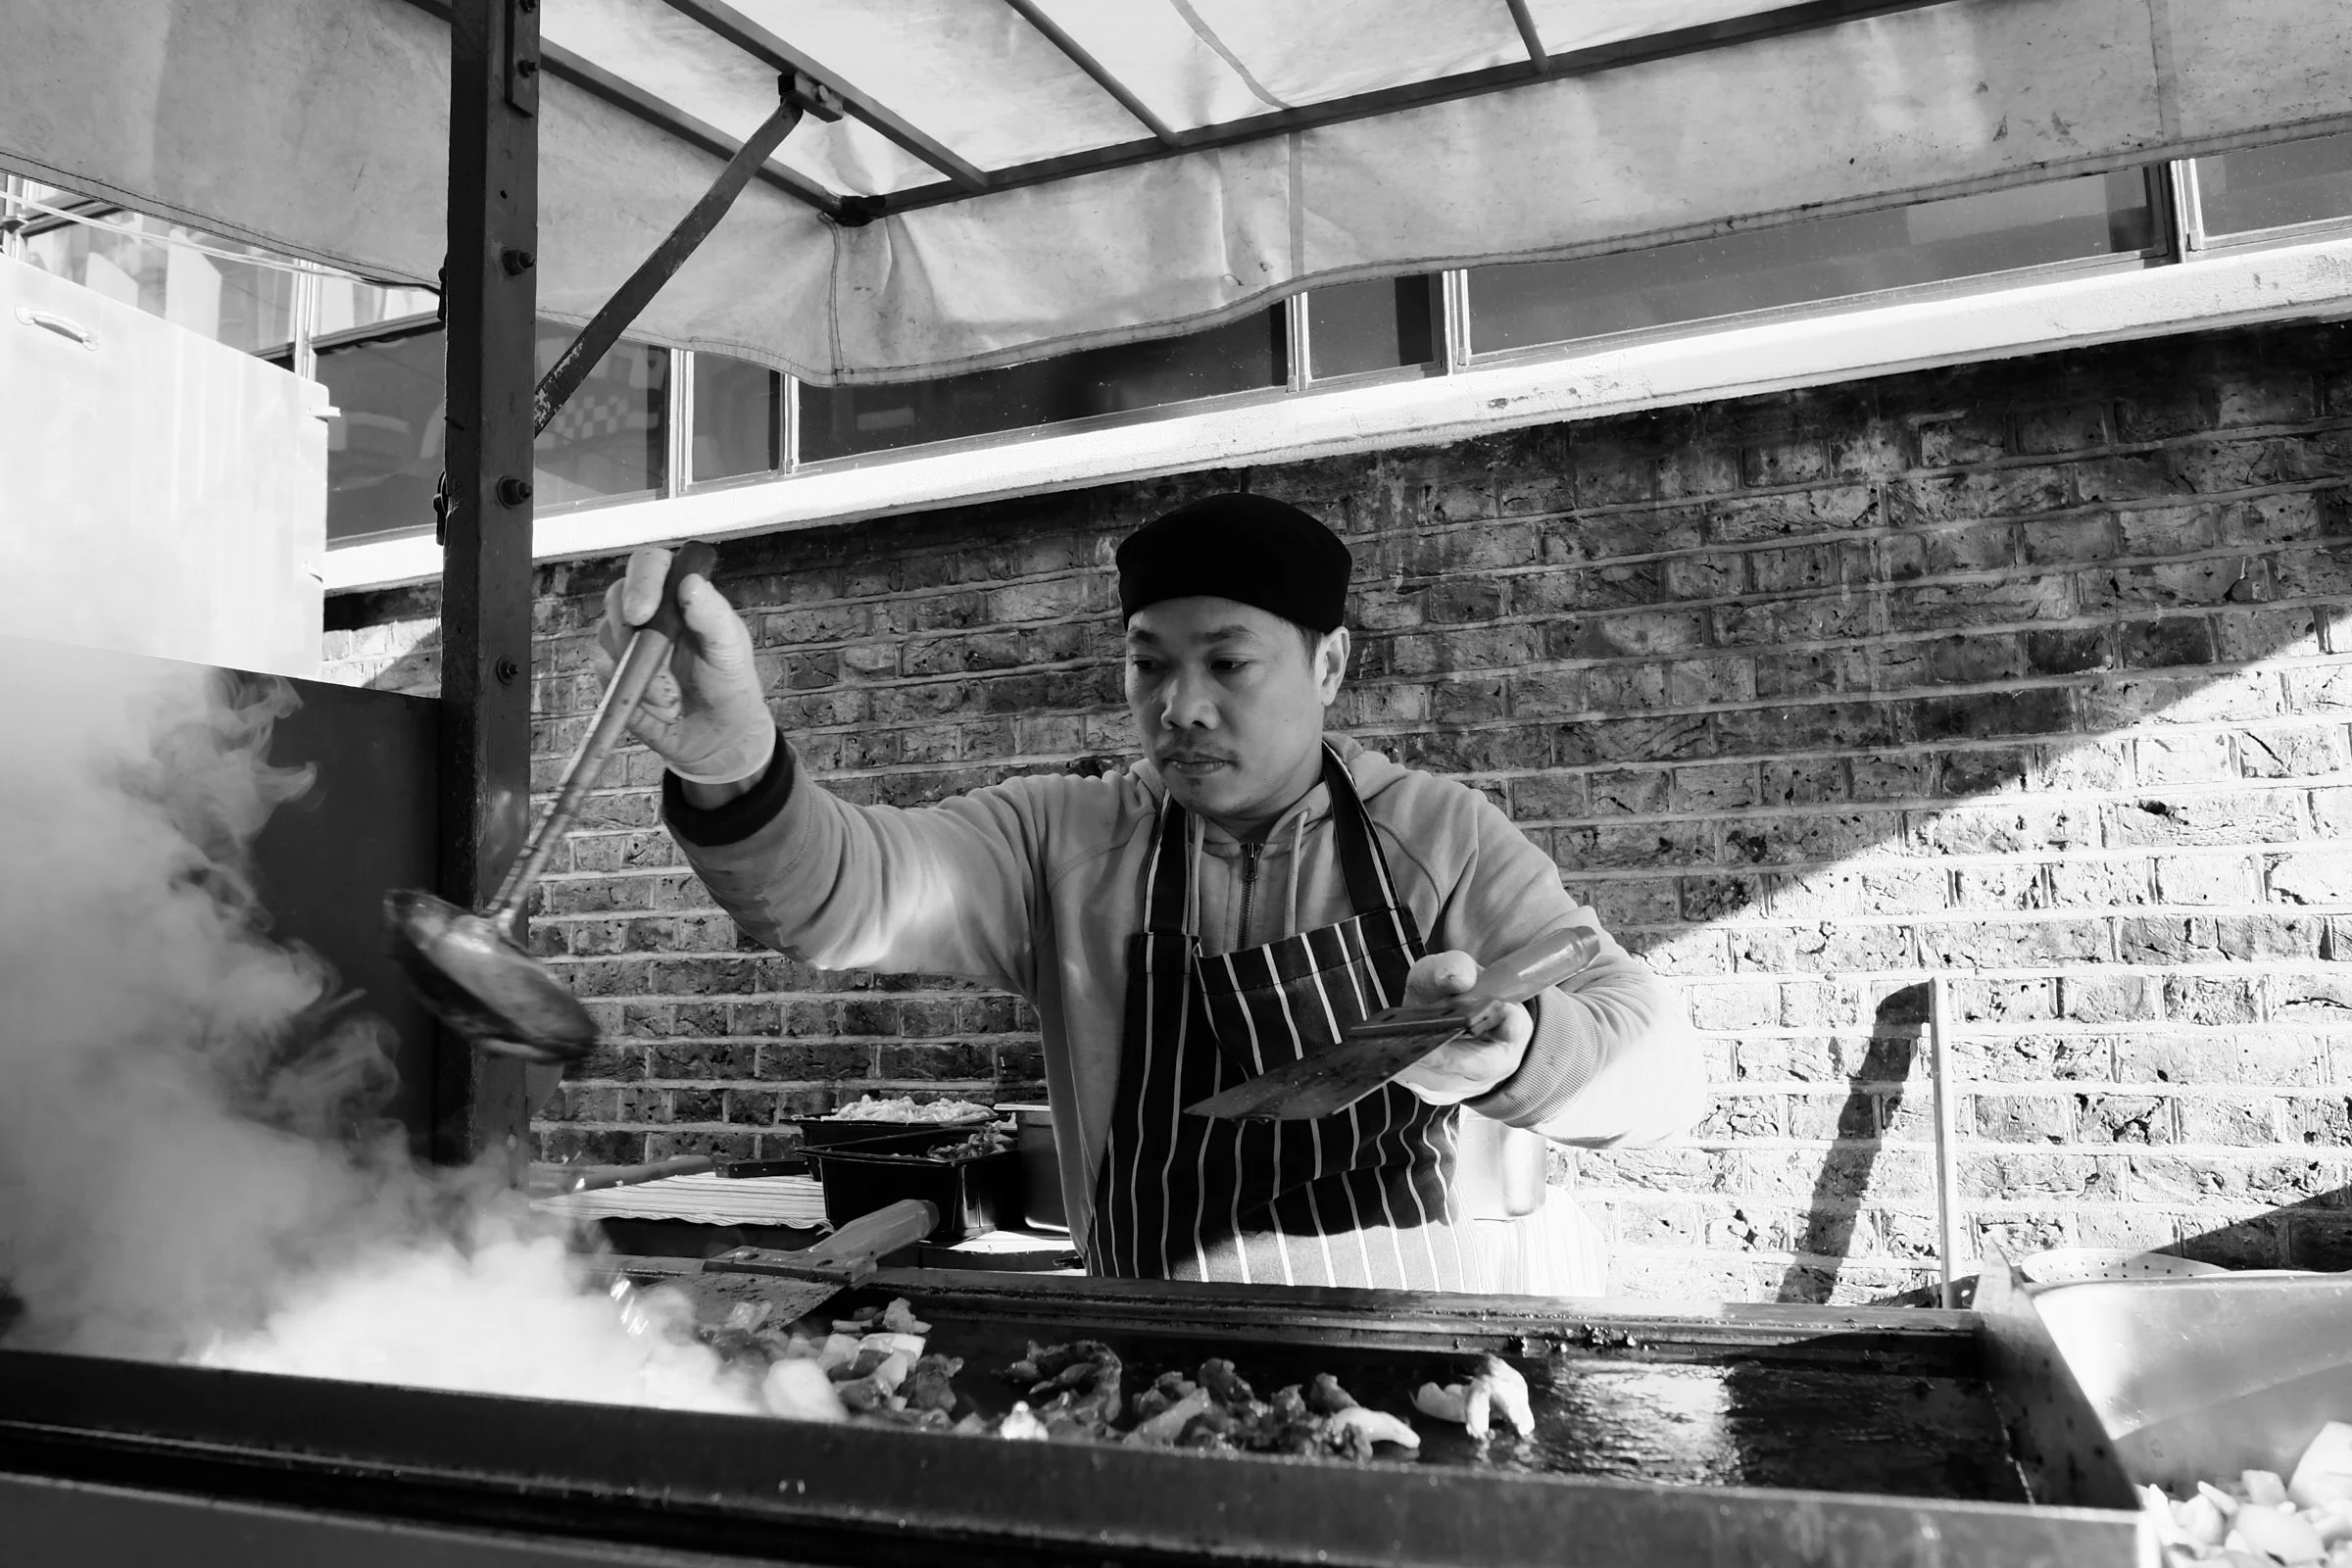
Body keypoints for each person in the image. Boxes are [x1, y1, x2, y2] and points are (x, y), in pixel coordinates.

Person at [597, 493, 1705, 1293]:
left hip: (1418, 1340)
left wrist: (1525, 1054)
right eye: (1149, 662)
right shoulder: (1063, 838)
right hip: (1150, 1344)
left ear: (1329, 667)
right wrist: (736, 763)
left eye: (1228, 663)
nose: (1179, 706)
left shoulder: (1439, 837)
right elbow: (844, 892)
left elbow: (1660, 1063)